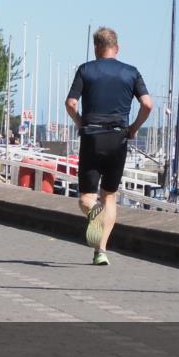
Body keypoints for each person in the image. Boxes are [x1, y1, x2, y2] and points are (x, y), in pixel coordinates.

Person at [65, 27, 153, 266]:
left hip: (92, 137)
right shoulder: (131, 72)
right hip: (118, 138)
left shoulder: (85, 70)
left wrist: (80, 122)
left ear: (96, 47)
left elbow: (71, 103)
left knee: (86, 199)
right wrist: (134, 128)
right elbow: (147, 104)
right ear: (117, 47)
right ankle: (101, 250)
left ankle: (94, 213)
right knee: (110, 196)